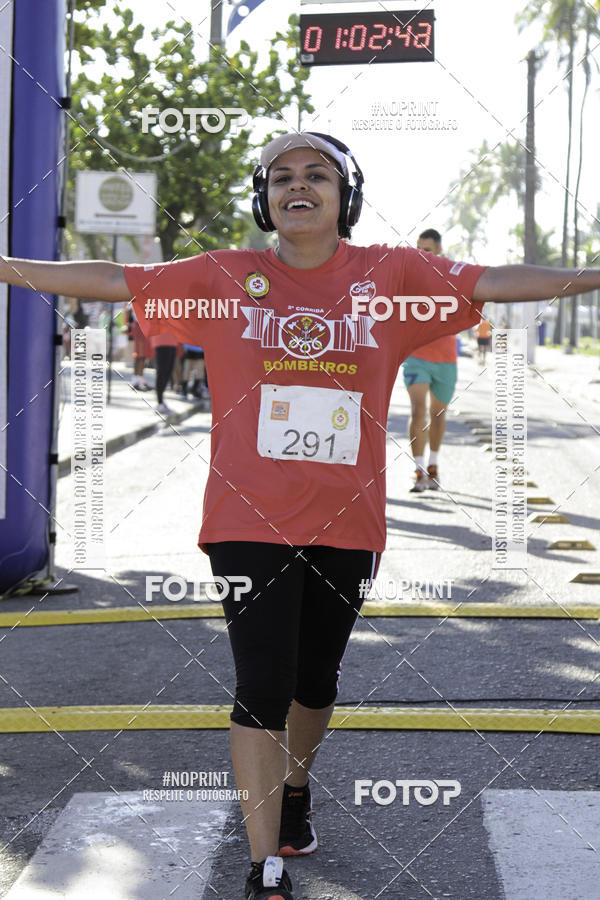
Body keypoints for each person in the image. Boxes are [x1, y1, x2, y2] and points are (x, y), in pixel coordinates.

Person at [4, 132, 600, 900]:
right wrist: (6, 266)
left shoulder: (394, 275)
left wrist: (591, 273)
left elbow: (494, 281)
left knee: (315, 682)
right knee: (262, 683)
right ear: (264, 199)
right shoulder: (224, 277)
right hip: (246, 519)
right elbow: (115, 278)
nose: (298, 185)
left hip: (348, 522)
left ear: (343, 197)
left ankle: (295, 790)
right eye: (281, 175)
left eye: (317, 174)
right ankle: (266, 868)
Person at [402, 228, 470, 493]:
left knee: (438, 415)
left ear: (439, 250)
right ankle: (418, 472)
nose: (422, 254)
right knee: (418, 410)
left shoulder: (454, 276)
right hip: (416, 357)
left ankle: (433, 466)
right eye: (419, 248)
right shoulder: (409, 277)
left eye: (427, 249)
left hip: (446, 359)